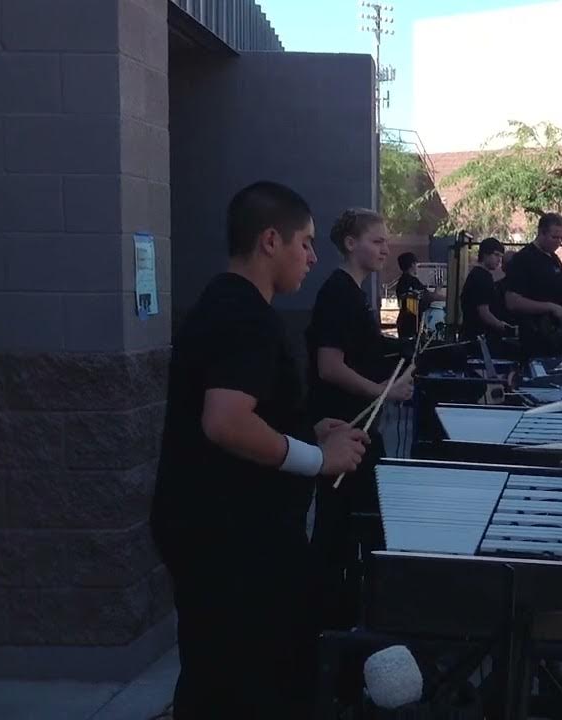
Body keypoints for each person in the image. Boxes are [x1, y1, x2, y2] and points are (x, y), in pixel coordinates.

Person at [150, 182, 370, 718]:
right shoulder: (244, 314)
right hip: (231, 539)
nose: (315, 257)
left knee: (216, 676)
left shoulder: (226, 303)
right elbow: (225, 421)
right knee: (240, 685)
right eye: (307, 243)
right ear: (271, 240)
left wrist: (307, 430)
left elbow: (247, 411)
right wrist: (319, 460)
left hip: (220, 530)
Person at [304, 208, 415, 632]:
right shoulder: (337, 292)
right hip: (341, 428)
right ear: (351, 244)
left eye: (386, 241)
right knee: (338, 531)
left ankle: (345, 618)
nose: (386, 248)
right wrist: (386, 391)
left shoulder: (353, 293)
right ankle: (330, 629)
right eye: (377, 241)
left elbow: (361, 350)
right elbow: (329, 366)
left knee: (351, 527)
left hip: (358, 427)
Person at [504, 213, 562, 358]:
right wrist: (550, 307)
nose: (558, 242)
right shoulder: (523, 259)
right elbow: (512, 301)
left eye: (561, 238)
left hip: (558, 337)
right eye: (554, 237)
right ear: (541, 232)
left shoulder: (554, 259)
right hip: (535, 337)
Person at [459, 237, 514, 345]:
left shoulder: (477, 275)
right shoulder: (482, 277)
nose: (499, 260)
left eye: (501, 256)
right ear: (485, 254)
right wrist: (505, 328)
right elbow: (484, 313)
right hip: (479, 338)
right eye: (496, 255)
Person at [394, 251, 445, 340]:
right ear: (413, 264)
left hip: (404, 320)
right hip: (412, 322)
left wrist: (437, 289)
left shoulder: (402, 281)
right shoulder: (412, 281)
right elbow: (430, 297)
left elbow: (427, 296)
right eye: (416, 264)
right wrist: (449, 298)